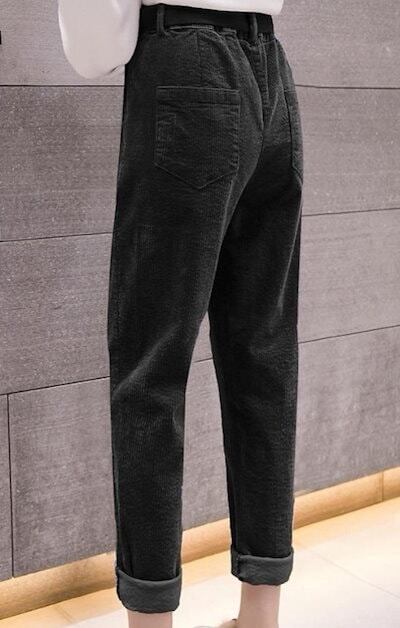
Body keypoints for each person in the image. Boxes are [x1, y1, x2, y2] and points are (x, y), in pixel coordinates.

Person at [58, 1, 303, 627]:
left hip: (188, 69)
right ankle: (260, 616)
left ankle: (150, 618)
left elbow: (93, 48)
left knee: (151, 369)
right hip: (272, 75)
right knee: (263, 356)